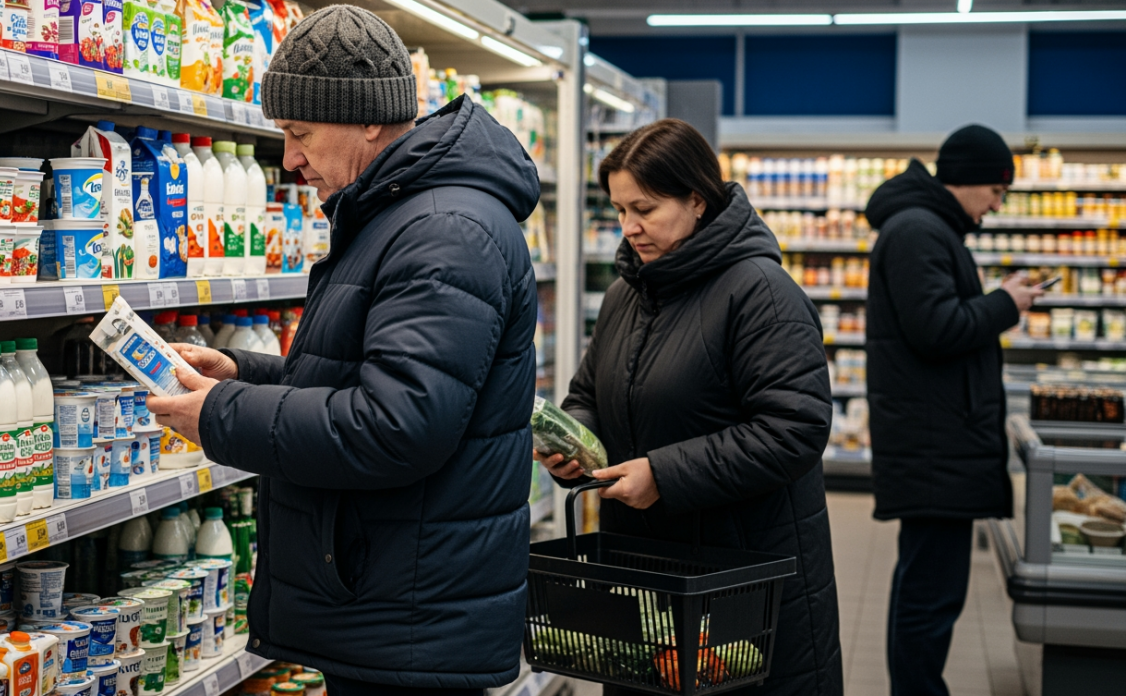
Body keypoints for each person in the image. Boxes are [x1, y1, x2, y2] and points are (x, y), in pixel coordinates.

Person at [146, 6, 540, 694]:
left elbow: (397, 426)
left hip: (412, 620)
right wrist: (245, 370)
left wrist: (223, 414)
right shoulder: (402, 214)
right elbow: (366, 374)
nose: (291, 159)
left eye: (300, 133)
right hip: (395, 603)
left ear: (366, 119)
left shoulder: (444, 230)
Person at [540, 119, 842, 696]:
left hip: (741, 580)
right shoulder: (626, 292)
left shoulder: (761, 292)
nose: (628, 228)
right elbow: (588, 393)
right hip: (647, 571)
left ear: (697, 200)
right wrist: (573, 441)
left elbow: (795, 428)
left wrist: (663, 473)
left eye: (645, 209)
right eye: (619, 210)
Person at [864, 124, 1042, 696]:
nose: (996, 205)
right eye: (996, 190)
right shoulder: (918, 230)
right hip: (935, 449)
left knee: (929, 589)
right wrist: (1004, 305)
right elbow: (936, 328)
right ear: (966, 180)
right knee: (929, 597)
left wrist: (995, 299)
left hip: (939, 444)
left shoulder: (928, 228)